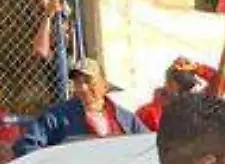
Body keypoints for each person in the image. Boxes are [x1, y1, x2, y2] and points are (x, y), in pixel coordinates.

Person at [15, 58, 145, 154]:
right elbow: (26, 146)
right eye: (77, 82)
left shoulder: (126, 119)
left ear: (104, 85)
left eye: (88, 81)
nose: (83, 88)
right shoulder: (56, 116)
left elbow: (149, 146)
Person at [136, 58, 225, 132]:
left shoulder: (197, 105)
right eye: (180, 86)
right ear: (168, 84)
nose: (184, 93)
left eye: (188, 88)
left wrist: (197, 68)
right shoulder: (148, 112)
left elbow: (221, 82)